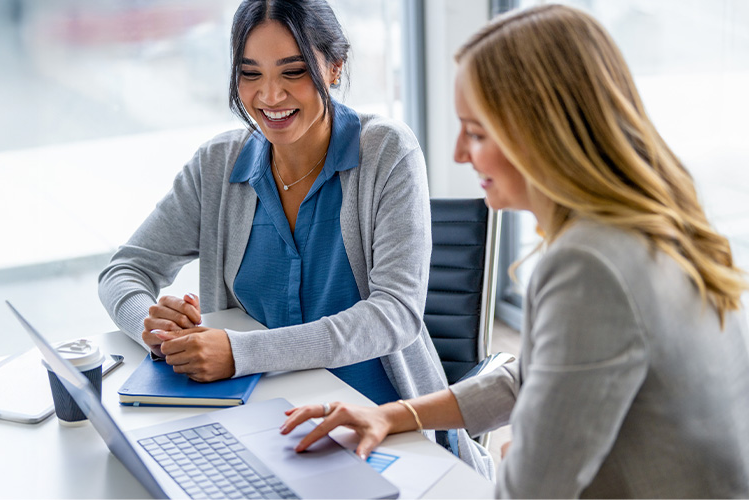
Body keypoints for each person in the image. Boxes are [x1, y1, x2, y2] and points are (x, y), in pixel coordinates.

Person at [280, 4, 749, 498]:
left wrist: (514, 451)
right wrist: (394, 416)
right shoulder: (657, 218)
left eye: (476, 132)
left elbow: (531, 488)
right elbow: (533, 375)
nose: (460, 154)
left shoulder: (590, 266)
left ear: (543, 134)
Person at [97, 0, 492, 476]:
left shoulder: (386, 151)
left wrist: (239, 353)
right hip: (258, 424)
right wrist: (156, 330)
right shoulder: (218, 165)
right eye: (250, 73)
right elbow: (125, 270)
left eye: (294, 71)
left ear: (334, 67)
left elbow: (395, 315)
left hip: (377, 426)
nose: (269, 95)